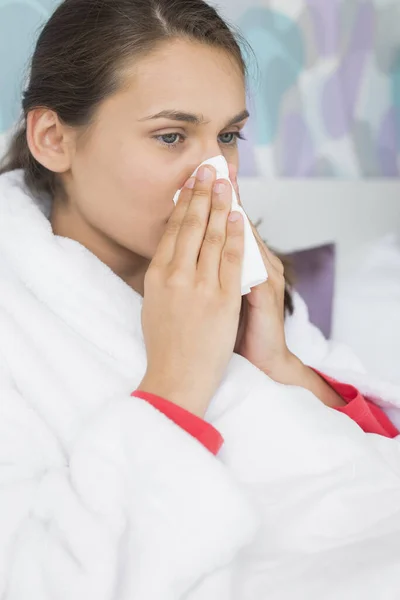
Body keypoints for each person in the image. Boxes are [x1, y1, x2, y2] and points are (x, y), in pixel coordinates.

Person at [0, 1, 400, 598]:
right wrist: (174, 385)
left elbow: (379, 454)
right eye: (170, 136)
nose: (215, 174)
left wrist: (282, 364)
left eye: (229, 136)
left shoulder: (240, 274)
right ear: (54, 138)